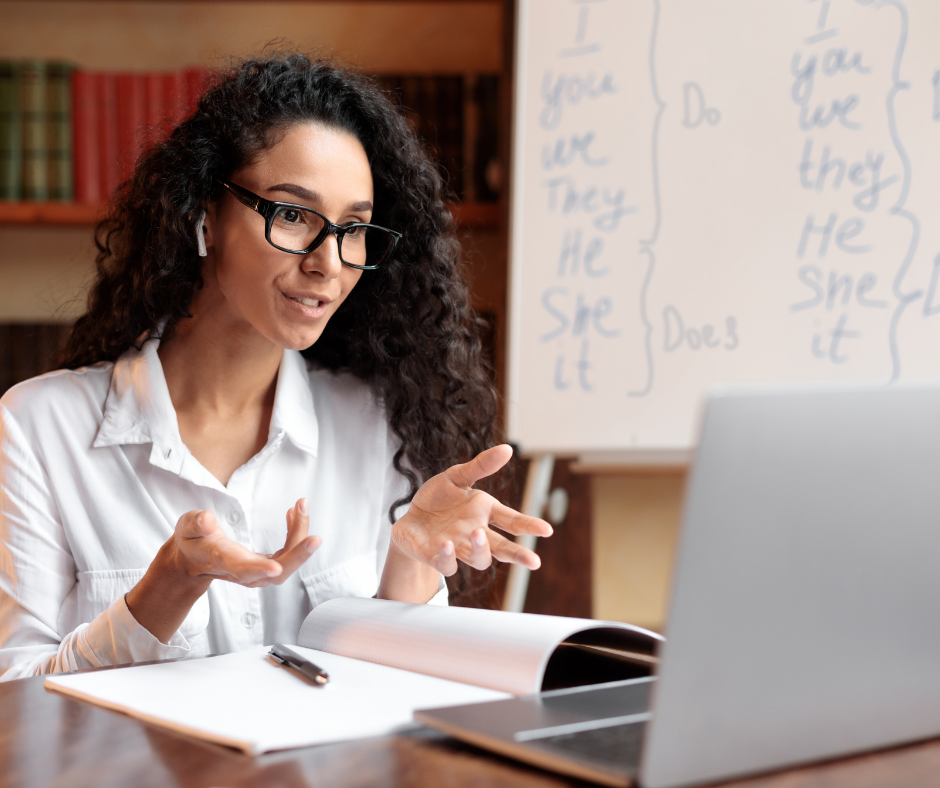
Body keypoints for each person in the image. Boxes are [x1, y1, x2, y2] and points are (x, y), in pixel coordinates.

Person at [0, 53, 552, 680]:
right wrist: (164, 591)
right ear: (203, 212)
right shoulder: (39, 427)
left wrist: (411, 565)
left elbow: (402, 705)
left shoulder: (375, 422)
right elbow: (14, 706)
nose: (329, 263)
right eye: (292, 214)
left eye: (354, 228)